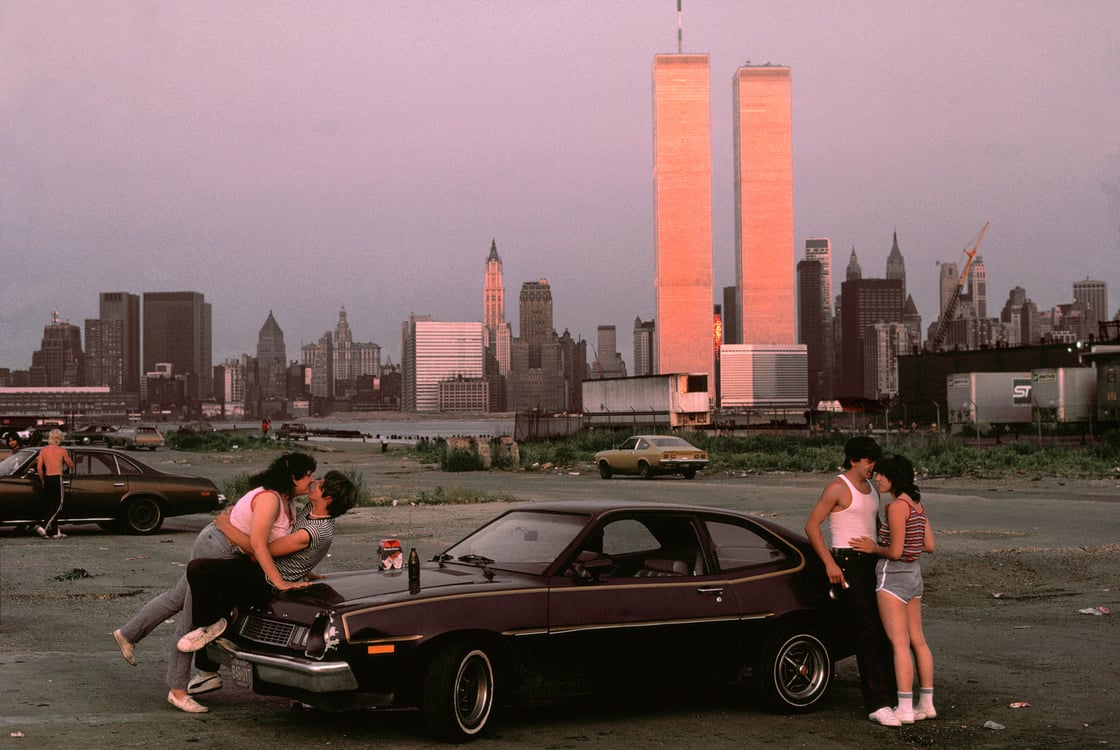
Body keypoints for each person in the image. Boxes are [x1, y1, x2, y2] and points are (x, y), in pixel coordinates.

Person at [112, 452, 317, 714]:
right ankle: (177, 691)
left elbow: (267, 544)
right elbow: (258, 544)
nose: (311, 479)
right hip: (218, 548)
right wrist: (280, 582)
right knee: (191, 619)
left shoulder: (287, 502)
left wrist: (304, 572)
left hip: (222, 545)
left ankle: (128, 634)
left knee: (177, 598)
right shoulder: (270, 499)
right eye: (308, 474)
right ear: (292, 477)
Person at [177, 469, 358, 655]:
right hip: (265, 569)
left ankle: (209, 625)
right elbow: (307, 551)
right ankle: (208, 667)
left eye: (321, 483)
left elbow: (262, 549)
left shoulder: (314, 531)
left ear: (328, 498)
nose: (315, 482)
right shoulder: (311, 512)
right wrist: (306, 568)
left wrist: (226, 526)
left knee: (198, 569)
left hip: (265, 579)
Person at [805, 436, 899, 727]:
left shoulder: (872, 488)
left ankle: (893, 698)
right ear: (854, 459)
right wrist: (830, 563)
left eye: (874, 461)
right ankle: (877, 703)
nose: (873, 467)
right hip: (847, 563)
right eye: (869, 461)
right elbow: (811, 526)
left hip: (872, 561)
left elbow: (874, 527)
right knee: (866, 630)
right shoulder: (837, 487)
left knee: (885, 628)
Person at [850, 454, 936, 723]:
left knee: (899, 645)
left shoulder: (896, 507)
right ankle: (927, 704)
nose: (877, 479)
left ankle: (905, 708)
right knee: (918, 641)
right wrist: (908, 545)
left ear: (894, 477)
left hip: (894, 580)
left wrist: (872, 548)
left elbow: (895, 552)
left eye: (882, 475)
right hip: (914, 577)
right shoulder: (917, 504)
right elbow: (929, 545)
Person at [35, 429, 74, 539]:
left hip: (47, 478)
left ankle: (56, 532)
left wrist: (42, 480)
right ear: (60, 439)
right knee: (59, 506)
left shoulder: (43, 450)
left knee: (51, 505)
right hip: (57, 478)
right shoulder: (62, 451)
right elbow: (71, 465)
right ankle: (43, 527)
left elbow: (39, 468)